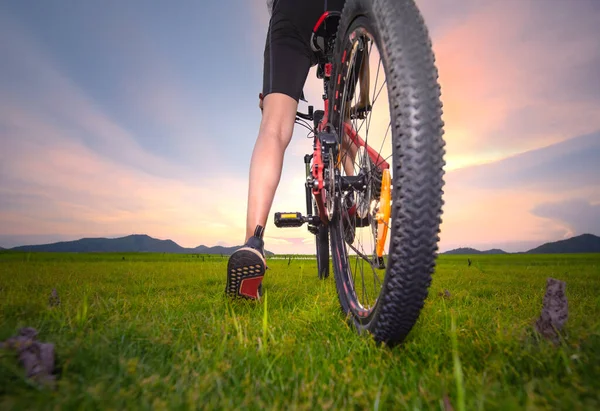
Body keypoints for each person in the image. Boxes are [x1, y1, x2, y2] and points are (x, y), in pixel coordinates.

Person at [225, 0, 352, 300]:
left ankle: (252, 244)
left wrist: (268, 99)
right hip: (343, 6)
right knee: (346, 119)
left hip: (292, 12)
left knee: (274, 127)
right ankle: (353, 196)